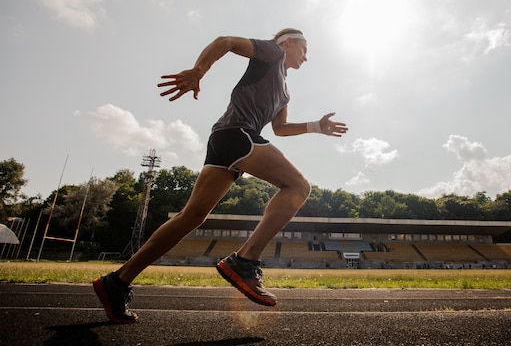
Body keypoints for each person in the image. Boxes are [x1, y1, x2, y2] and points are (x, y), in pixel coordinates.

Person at [93, 28, 349, 323]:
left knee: (191, 216)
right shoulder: (272, 51)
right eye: (305, 49)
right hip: (238, 134)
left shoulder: (285, 89)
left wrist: (316, 126)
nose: (307, 57)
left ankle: (117, 281)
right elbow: (225, 42)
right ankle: (245, 259)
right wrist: (199, 70)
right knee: (298, 186)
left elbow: (280, 128)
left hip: (226, 142)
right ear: (288, 42)